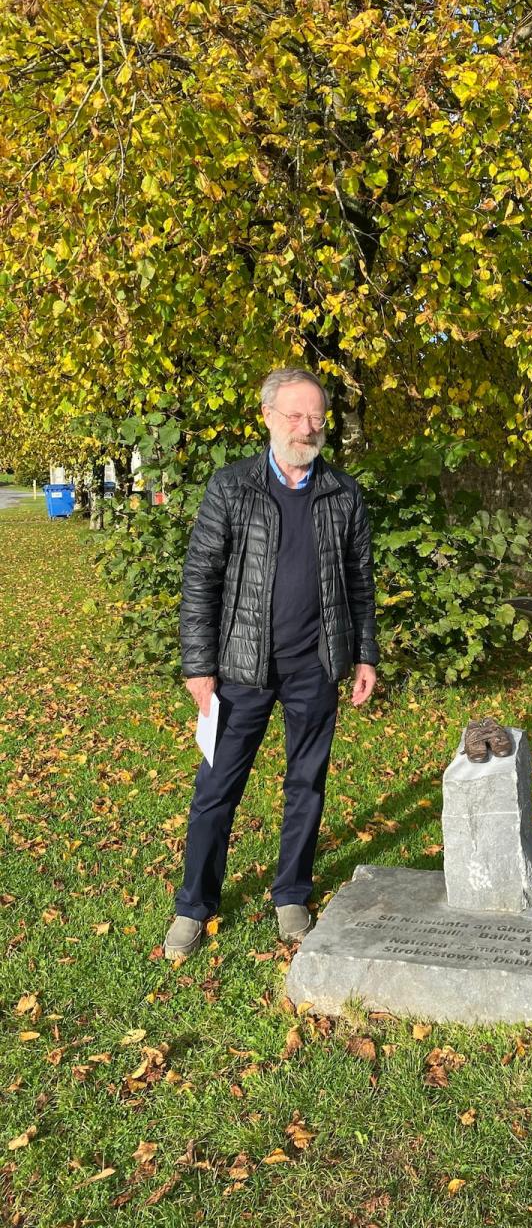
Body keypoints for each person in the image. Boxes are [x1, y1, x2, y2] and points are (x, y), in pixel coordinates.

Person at [163, 366, 378, 959]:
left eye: (316, 417)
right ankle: (193, 905)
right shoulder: (232, 487)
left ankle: (291, 894)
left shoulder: (343, 493)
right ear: (267, 418)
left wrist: (364, 654)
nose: (306, 428)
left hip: (315, 666)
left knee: (306, 784)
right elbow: (200, 579)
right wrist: (198, 666)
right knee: (215, 789)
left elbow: (359, 583)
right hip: (239, 667)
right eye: (295, 415)